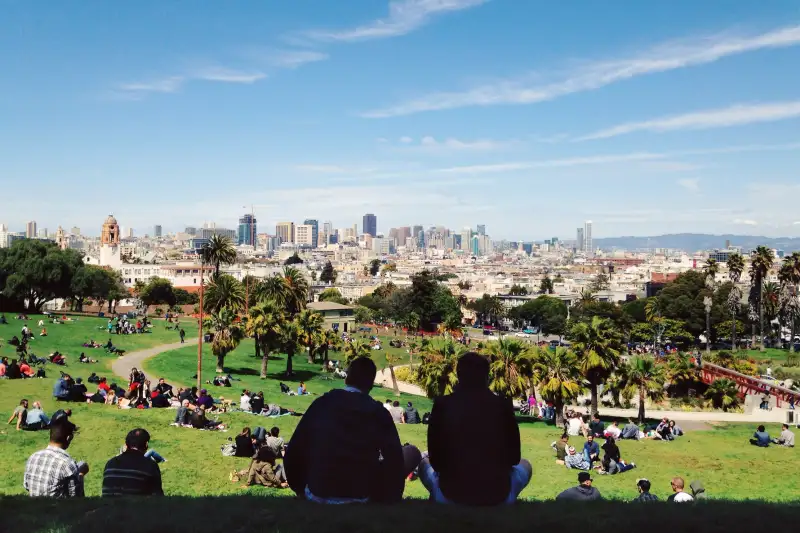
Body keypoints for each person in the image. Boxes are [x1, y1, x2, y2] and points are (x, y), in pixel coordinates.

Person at [284, 357, 420, 504]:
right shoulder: (378, 412)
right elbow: (395, 459)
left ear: (347, 378)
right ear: (371, 384)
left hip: (319, 490)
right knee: (411, 452)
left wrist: (299, 488)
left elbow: (294, 449)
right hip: (360, 492)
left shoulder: (322, 403)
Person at [420, 352, 532, 506]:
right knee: (526, 465)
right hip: (498, 495)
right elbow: (514, 458)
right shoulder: (502, 405)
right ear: (487, 376)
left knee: (422, 464)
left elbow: (435, 461)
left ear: (458, 375)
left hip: (450, 494)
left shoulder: (442, 405)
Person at [23, 419, 86, 498]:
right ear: (68, 438)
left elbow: (26, 486)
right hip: (57, 509)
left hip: (32, 508)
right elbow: (76, 499)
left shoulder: (33, 457)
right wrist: (81, 474)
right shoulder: (68, 464)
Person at [102, 428, 163, 496]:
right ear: (146, 445)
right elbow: (158, 497)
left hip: (108, 506)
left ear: (126, 445)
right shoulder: (150, 465)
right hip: (136, 506)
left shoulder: (110, 463)